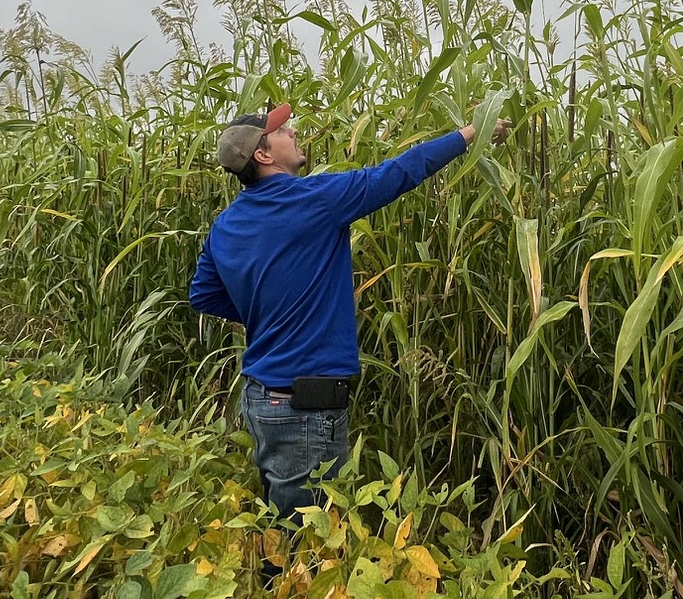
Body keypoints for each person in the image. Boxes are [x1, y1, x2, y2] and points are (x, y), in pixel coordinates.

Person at [189, 102, 509, 519]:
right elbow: (398, 173)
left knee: (282, 519)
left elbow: (203, 294)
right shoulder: (315, 200)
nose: (294, 132)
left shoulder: (226, 225)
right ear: (264, 155)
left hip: (259, 399)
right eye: (284, 131)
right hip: (305, 407)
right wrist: (471, 133)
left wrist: (267, 311)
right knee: (308, 540)